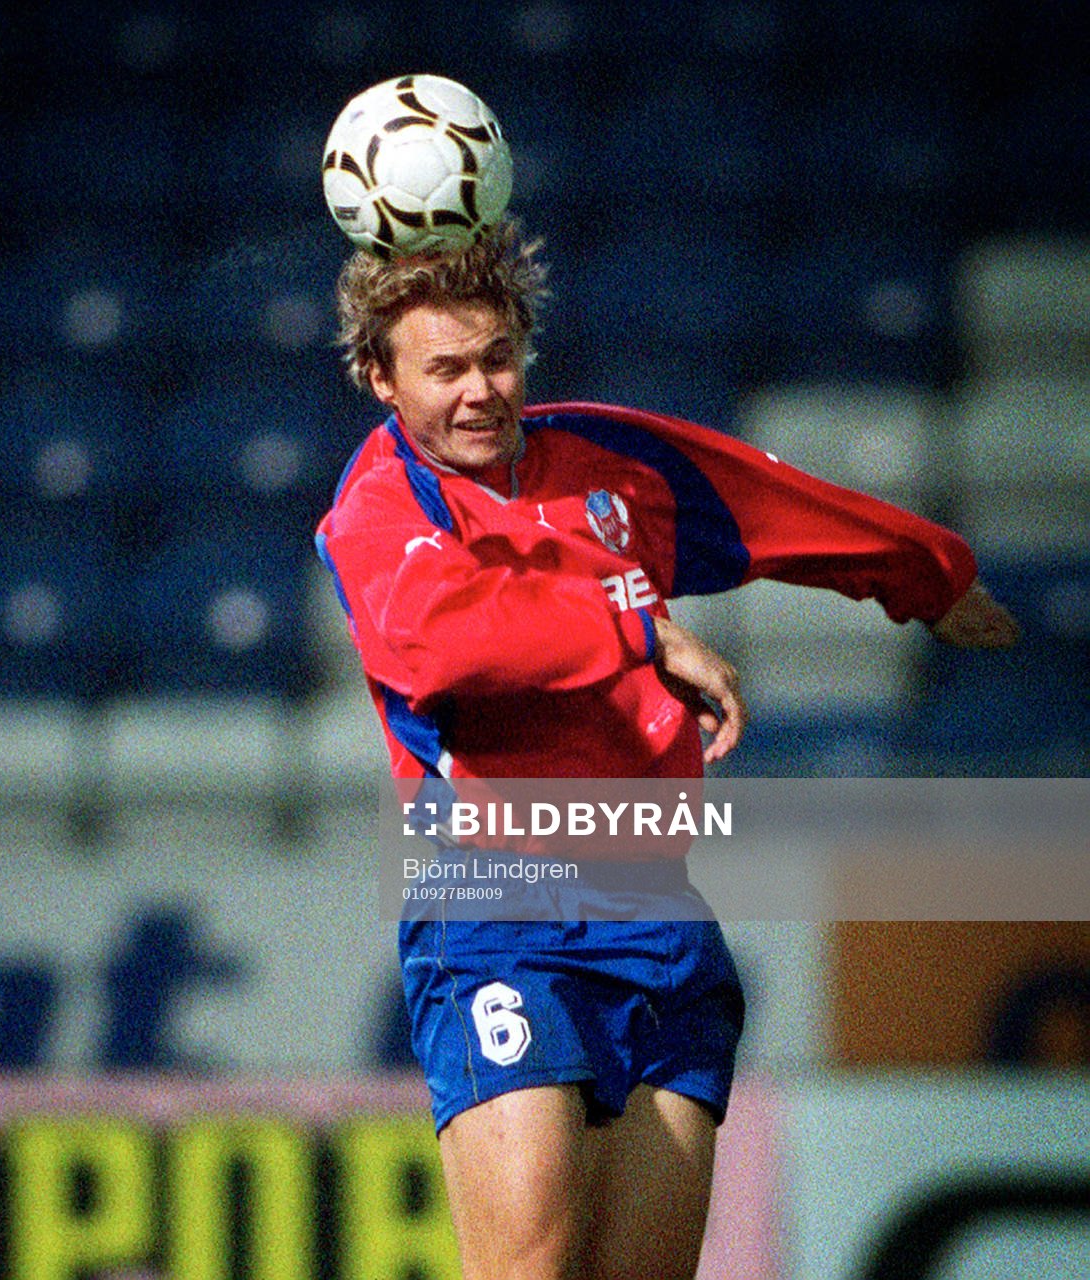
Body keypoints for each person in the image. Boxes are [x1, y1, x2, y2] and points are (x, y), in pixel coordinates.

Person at [314, 221, 1019, 1280]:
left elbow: (768, 501)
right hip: (497, 908)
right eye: (444, 368)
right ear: (380, 377)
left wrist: (926, 572)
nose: (479, 391)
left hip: (657, 907)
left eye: (497, 357)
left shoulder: (614, 463)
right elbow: (441, 638)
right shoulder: (379, 509)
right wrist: (636, 627)